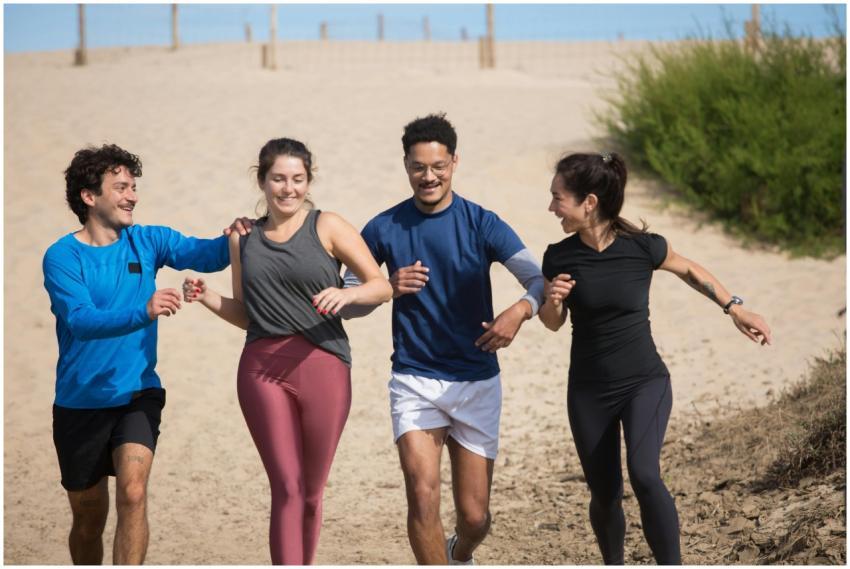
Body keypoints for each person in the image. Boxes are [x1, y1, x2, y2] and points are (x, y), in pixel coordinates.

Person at [538, 151, 772, 565]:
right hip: (589, 391)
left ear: (588, 202)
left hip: (643, 381)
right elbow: (553, 323)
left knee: (645, 475)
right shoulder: (559, 256)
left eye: (558, 197)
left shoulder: (643, 247)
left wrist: (734, 308)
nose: (552, 206)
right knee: (605, 494)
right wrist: (553, 300)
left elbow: (689, 271)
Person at [341, 113, 545, 565]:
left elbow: (538, 280)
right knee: (422, 495)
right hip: (414, 379)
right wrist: (384, 286)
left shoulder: (482, 223)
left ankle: (460, 552)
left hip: (476, 379)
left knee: (475, 516)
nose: (428, 176)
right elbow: (345, 300)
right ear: (406, 165)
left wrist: (519, 310)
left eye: (438, 166)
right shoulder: (383, 228)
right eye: (418, 167)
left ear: (454, 162)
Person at [181, 137, 392, 565]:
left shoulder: (328, 225)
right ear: (262, 182)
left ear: (309, 180)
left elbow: (381, 285)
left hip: (325, 366)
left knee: (312, 493)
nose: (288, 188)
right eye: (278, 178)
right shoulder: (243, 237)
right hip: (261, 369)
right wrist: (207, 297)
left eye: (297, 178)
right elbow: (246, 314)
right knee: (287, 487)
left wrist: (345, 296)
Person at [42, 143, 239, 564]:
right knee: (88, 518)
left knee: (133, 492)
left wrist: (240, 232)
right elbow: (80, 320)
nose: (132, 195)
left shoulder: (148, 240)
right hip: (79, 402)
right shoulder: (62, 256)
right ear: (89, 196)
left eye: (133, 186)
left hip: (137, 393)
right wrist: (144, 309)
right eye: (121, 187)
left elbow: (207, 254)